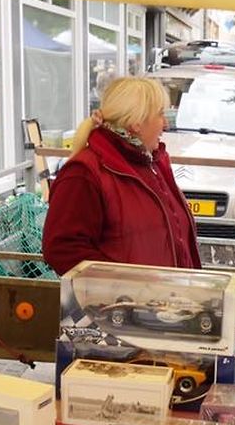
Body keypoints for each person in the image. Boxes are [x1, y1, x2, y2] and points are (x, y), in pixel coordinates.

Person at [42, 77, 200, 276]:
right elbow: (62, 249)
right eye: (160, 114)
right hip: (125, 297)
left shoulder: (149, 163)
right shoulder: (84, 173)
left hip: (165, 294)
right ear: (136, 123)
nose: (166, 124)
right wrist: (129, 284)